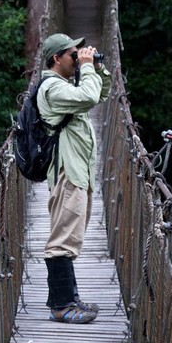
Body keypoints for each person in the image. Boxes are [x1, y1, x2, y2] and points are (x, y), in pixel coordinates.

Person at [37, 32, 112, 324]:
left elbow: (101, 94)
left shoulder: (65, 84)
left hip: (78, 171)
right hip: (67, 171)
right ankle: (61, 306)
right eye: (73, 54)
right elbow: (89, 96)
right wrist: (89, 67)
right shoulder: (52, 88)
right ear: (57, 58)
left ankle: (70, 297)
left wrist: (96, 67)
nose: (77, 58)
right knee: (63, 240)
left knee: (71, 237)